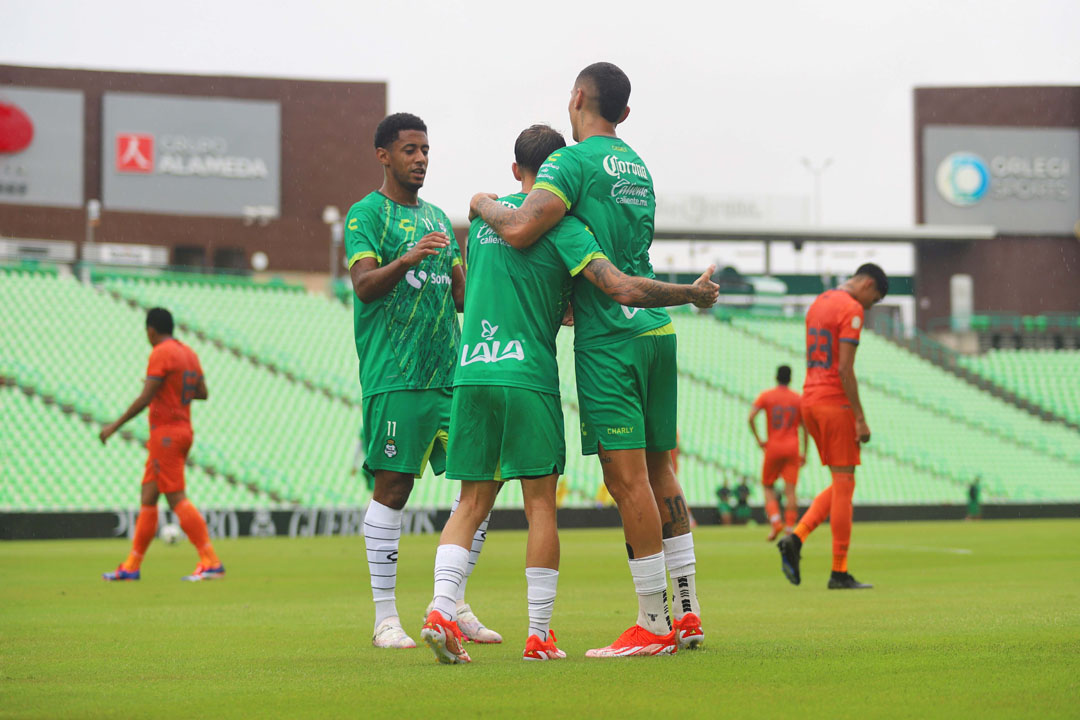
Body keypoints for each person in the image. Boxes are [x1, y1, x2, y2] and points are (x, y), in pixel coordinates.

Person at [421, 124, 718, 664]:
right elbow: (603, 288)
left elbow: (505, 270)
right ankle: (545, 635)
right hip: (534, 375)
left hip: (472, 372)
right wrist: (690, 294)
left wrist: (480, 199)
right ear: (559, 176)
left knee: (470, 503)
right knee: (547, 506)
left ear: (518, 171)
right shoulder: (567, 227)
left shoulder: (482, 228)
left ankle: (442, 607)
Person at [346, 112, 499, 649]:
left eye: (427, 150)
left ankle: (453, 602)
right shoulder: (366, 215)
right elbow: (364, 285)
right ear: (384, 155)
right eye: (410, 150)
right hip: (396, 376)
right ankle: (385, 619)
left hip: (449, 378)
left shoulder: (438, 217)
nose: (421, 159)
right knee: (394, 487)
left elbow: (460, 297)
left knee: (480, 485)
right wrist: (406, 258)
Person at [777, 264, 888, 590]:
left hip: (809, 399)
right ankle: (838, 571)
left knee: (842, 484)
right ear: (867, 284)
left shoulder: (819, 302)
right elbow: (844, 369)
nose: (870, 306)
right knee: (844, 483)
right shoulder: (851, 308)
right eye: (874, 298)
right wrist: (860, 417)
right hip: (834, 403)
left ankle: (795, 539)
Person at [100, 308, 224, 582]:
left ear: (151, 331)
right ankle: (131, 565)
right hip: (181, 430)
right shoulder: (188, 353)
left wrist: (114, 425)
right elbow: (202, 393)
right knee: (149, 496)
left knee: (175, 496)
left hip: (166, 433)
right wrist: (170, 386)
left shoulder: (161, 353)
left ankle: (211, 560)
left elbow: (145, 399)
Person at [748, 365, 807, 540]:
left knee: (767, 486)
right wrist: (805, 452)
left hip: (773, 447)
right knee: (790, 491)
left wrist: (759, 438)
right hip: (793, 447)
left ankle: (775, 522)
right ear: (790, 379)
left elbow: (751, 417)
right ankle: (790, 528)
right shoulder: (797, 399)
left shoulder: (767, 396)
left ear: (776, 377)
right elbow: (805, 428)